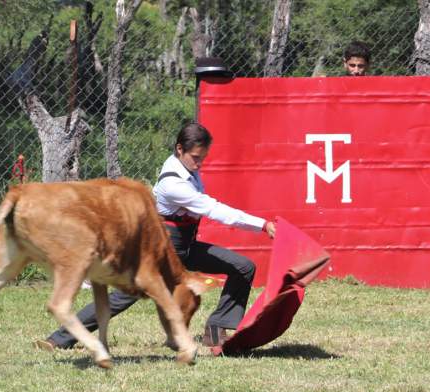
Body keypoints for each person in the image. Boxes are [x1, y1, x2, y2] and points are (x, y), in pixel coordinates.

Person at [34, 122, 276, 351]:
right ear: (180, 149)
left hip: (185, 249)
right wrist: (262, 224)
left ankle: (217, 328)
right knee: (121, 298)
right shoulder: (174, 184)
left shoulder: (186, 168)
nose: (200, 163)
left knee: (242, 267)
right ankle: (59, 339)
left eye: (203, 157)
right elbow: (213, 209)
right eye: (196, 157)